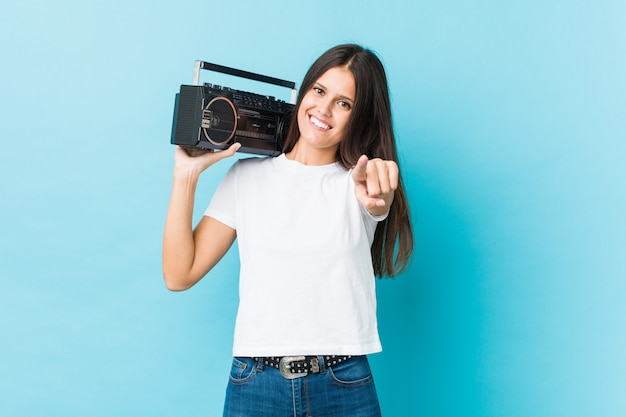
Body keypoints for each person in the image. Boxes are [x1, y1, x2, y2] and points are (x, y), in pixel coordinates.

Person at [162, 44, 414, 417]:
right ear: (303, 92)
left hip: (342, 381)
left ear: (359, 117)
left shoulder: (358, 186)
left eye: (344, 104)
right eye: (319, 91)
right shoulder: (244, 178)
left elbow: (377, 200)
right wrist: (185, 177)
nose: (324, 110)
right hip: (255, 383)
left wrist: (381, 194)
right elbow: (179, 274)